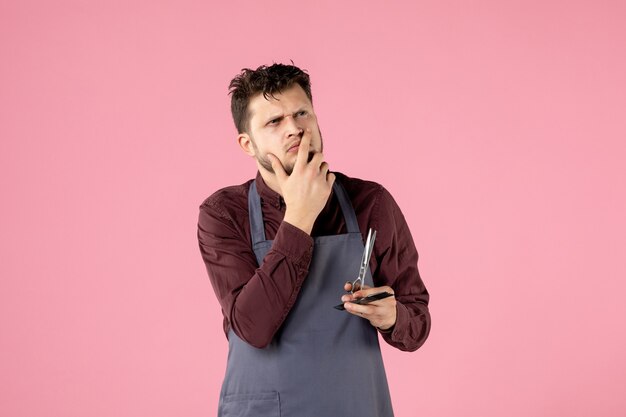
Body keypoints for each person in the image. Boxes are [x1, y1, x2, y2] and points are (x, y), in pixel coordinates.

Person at [197, 63, 431, 417]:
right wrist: (300, 216)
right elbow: (252, 327)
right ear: (248, 143)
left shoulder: (370, 203)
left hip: (355, 407)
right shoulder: (223, 214)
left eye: (302, 113)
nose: (294, 128)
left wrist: (392, 316)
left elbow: (417, 321)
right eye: (274, 122)